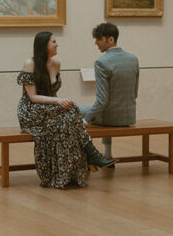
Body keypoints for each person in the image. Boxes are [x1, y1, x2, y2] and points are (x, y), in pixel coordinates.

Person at [17, 31, 115, 188]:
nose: (57, 44)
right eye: (54, 41)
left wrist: (59, 103)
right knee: (70, 112)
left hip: (49, 107)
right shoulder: (30, 63)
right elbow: (33, 97)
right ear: (44, 45)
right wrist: (58, 101)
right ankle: (92, 154)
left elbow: (54, 92)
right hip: (31, 110)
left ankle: (68, 174)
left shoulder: (56, 64)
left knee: (66, 121)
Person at [79, 22, 139, 161]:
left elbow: (102, 100)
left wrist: (86, 120)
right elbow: (134, 93)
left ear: (110, 39)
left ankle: (87, 158)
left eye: (99, 39)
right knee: (102, 109)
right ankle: (108, 153)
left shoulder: (102, 62)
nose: (96, 42)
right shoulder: (133, 59)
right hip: (129, 117)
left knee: (75, 108)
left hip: (110, 118)